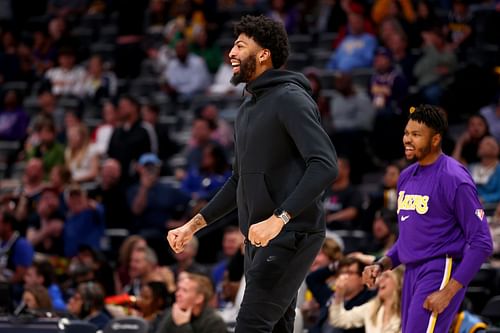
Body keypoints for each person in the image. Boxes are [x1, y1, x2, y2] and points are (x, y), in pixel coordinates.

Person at [167, 15, 338, 333]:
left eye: (240, 45)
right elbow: (238, 181)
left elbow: (325, 165)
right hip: (258, 239)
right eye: (233, 44)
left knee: (250, 326)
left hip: (290, 234)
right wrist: (193, 226)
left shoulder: (290, 98)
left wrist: (279, 218)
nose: (231, 52)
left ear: (264, 54)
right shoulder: (245, 109)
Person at [362, 105, 493, 333]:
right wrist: (382, 264)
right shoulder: (405, 177)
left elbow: (482, 242)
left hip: (441, 268)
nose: (407, 140)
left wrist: (449, 291)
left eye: (416, 135)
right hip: (411, 271)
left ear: (435, 140)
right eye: (406, 133)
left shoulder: (454, 178)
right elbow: (408, 239)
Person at [329, 266, 404, 333]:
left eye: (386, 276)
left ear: (399, 282)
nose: (380, 280)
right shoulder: (371, 308)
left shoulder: (407, 312)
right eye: (380, 276)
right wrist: (339, 294)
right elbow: (339, 319)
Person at [155, 272, 227, 333]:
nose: (177, 294)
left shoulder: (214, 322)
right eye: (178, 289)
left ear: (199, 298)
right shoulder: (173, 313)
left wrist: (183, 325)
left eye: (184, 290)